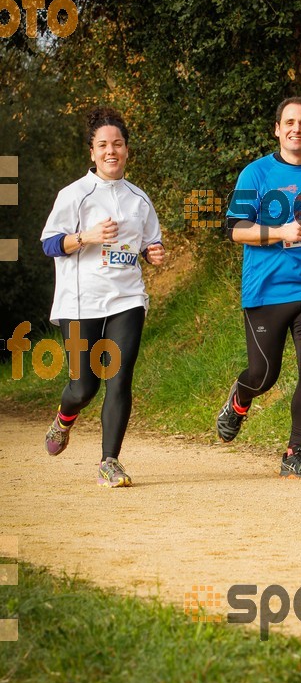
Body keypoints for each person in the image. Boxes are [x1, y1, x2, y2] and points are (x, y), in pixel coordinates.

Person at [217, 97, 301, 479]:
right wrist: (279, 231)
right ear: (277, 129)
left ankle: (295, 453)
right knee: (264, 375)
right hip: (266, 290)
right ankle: (240, 400)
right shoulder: (255, 174)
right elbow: (234, 229)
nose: (297, 128)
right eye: (289, 122)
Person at [41, 107, 165, 487]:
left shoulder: (139, 199)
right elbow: (49, 244)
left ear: (127, 149)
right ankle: (65, 417)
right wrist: (86, 237)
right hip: (81, 302)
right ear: (92, 153)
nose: (111, 151)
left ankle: (109, 461)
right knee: (84, 387)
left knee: (119, 377)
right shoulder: (74, 195)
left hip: (127, 298)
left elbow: (149, 241)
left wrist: (153, 253)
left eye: (118, 144)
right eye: (103, 145)